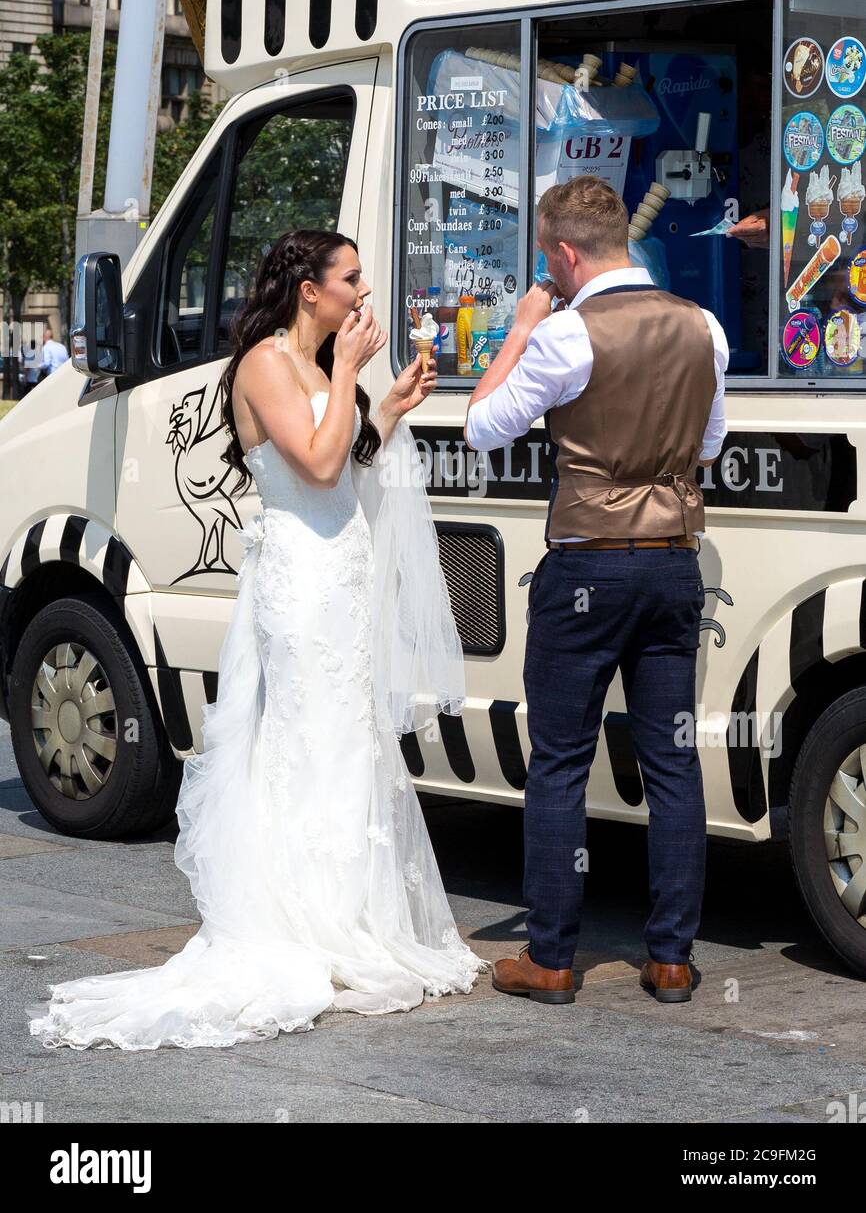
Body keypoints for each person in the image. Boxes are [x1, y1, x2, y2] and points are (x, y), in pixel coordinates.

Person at [27, 228, 487, 1050]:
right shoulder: (269, 364)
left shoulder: (313, 365)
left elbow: (350, 456)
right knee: (307, 736)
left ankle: (347, 913)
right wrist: (350, 374)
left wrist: (385, 404)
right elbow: (313, 463)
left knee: (344, 738)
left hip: (338, 569)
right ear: (310, 291)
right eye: (351, 280)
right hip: (301, 582)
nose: (363, 293)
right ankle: (305, 923)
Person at [465, 175, 728, 1006]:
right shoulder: (705, 328)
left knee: (561, 764)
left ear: (565, 253)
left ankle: (549, 959)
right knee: (672, 764)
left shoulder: (565, 337)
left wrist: (517, 332)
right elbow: (710, 446)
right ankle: (673, 958)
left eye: (549, 257)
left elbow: (480, 427)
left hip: (587, 566)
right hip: (672, 562)